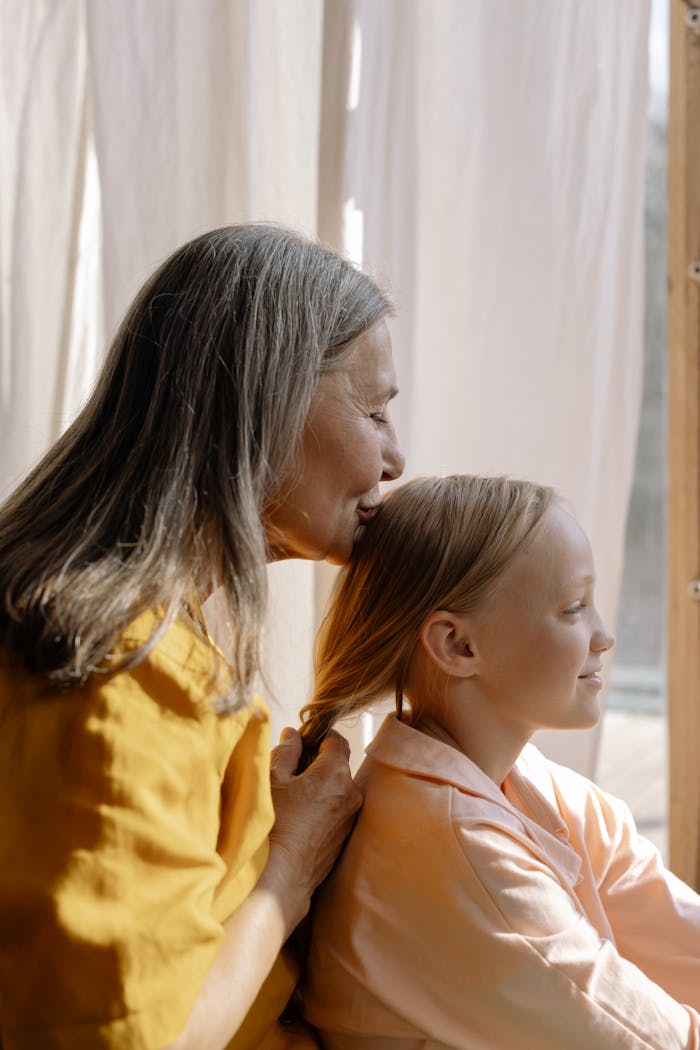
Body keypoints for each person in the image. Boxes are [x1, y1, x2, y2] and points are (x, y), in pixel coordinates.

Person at [0, 223, 405, 1050]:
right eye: (372, 411)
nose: (395, 458)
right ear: (266, 399)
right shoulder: (117, 670)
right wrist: (290, 865)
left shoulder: (129, 640)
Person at [299, 474, 700, 1050]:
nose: (605, 636)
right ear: (457, 645)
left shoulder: (527, 782)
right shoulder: (451, 846)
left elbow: (675, 934)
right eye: (574, 608)